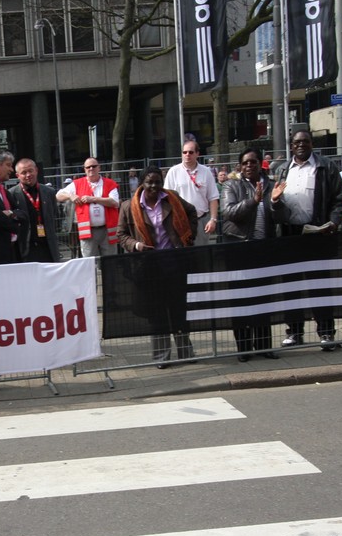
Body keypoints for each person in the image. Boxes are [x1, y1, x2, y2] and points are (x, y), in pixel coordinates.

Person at [270, 130, 342, 350]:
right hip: (289, 235)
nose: (301, 145)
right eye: (297, 142)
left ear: (312, 144)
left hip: (317, 234)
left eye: (305, 141)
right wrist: (274, 203)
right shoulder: (282, 170)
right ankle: (294, 332)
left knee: (320, 286)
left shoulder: (326, 167)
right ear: (291, 146)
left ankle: (326, 333)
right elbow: (274, 204)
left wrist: (333, 222)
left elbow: (341, 200)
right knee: (291, 286)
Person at [117, 165, 198, 369]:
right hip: (148, 269)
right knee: (157, 315)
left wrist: (188, 236)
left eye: (157, 182)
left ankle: (186, 352)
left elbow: (192, 212)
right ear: (142, 184)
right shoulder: (128, 207)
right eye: (149, 182)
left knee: (179, 311)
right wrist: (136, 245)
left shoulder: (172, 198)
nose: (154, 186)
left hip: (174, 265)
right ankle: (162, 357)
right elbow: (121, 235)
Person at [222, 148, 279, 362]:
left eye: (253, 162)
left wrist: (277, 202)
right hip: (239, 250)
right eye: (245, 162)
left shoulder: (270, 185)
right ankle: (243, 348)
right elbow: (229, 212)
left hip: (264, 250)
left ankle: (263, 345)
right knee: (240, 300)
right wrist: (253, 201)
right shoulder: (231, 185)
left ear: (260, 164)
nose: (249, 166)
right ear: (240, 166)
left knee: (264, 299)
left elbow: (281, 216)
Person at [55, 156, 120, 257]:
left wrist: (93, 199)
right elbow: (58, 196)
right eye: (88, 167)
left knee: (110, 260)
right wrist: (70, 196)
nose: (91, 169)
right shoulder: (77, 184)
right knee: (89, 261)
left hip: (107, 230)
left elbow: (115, 202)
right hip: (88, 231)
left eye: (94, 166)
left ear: (99, 168)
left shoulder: (110, 183)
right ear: (84, 169)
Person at [163, 140, 220, 245]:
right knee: (182, 254)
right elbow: (166, 198)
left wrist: (213, 220)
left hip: (201, 221)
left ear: (197, 153)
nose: (187, 155)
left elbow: (213, 198)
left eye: (191, 152)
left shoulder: (206, 172)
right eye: (184, 152)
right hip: (181, 222)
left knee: (201, 253)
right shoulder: (173, 172)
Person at [13, 157, 62, 263]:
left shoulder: (49, 192)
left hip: (47, 247)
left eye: (30, 171)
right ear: (17, 175)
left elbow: (53, 214)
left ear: (36, 170)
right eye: (24, 172)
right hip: (25, 249)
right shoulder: (12, 194)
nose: (28, 175)